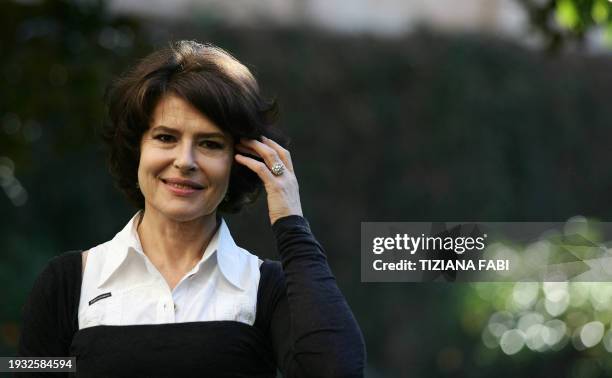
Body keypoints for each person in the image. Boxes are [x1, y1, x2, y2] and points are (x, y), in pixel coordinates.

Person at [17, 41, 365, 377]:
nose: (185, 161)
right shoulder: (66, 283)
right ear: (137, 148)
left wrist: (291, 219)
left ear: (240, 162)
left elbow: (335, 369)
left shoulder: (265, 289)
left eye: (210, 144)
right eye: (166, 138)